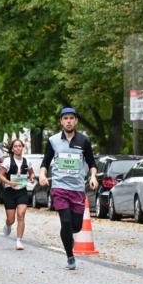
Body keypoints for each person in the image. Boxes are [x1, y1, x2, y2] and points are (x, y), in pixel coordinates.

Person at [38, 108, 98, 270]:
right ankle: (70, 256)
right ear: (61, 121)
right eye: (65, 118)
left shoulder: (84, 141)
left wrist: (93, 176)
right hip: (59, 187)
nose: (69, 121)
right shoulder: (53, 140)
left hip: (77, 188)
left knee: (76, 226)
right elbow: (45, 161)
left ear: (76, 121)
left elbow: (92, 163)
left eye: (72, 118)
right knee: (65, 221)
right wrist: (42, 174)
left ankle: (67, 238)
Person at [0, 138, 34, 251]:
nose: (18, 148)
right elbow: (0, 175)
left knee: (21, 214)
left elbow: (31, 173)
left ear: (23, 148)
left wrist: (32, 178)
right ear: (12, 149)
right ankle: (8, 225)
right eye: (16, 146)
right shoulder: (8, 161)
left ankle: (19, 240)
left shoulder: (27, 161)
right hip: (9, 192)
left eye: (20, 146)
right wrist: (9, 182)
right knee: (11, 219)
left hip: (22, 191)